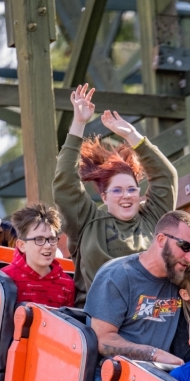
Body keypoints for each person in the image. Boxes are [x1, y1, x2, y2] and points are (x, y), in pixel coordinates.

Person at [55, 84, 178, 305]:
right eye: (118, 190)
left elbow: (166, 177)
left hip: (148, 316)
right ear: (104, 196)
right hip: (98, 317)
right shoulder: (87, 221)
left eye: (132, 189)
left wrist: (133, 137)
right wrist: (79, 123)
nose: (126, 196)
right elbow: (65, 182)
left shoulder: (152, 218)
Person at [85, 210, 190, 381]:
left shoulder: (181, 276)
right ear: (162, 240)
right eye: (185, 246)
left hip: (161, 380)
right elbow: (102, 340)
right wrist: (154, 354)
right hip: (114, 380)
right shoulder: (118, 275)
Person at [1, 204, 75, 307]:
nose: (48, 245)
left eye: (52, 239)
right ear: (22, 245)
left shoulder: (67, 284)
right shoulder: (4, 280)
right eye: (39, 239)